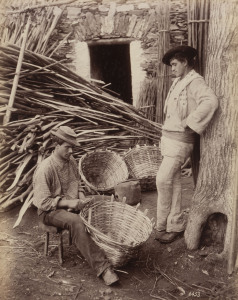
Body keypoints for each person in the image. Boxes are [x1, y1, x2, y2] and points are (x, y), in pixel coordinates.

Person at [33, 126, 119, 285]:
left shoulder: (70, 161)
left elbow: (77, 184)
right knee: (76, 222)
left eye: (72, 147)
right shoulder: (45, 168)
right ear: (56, 146)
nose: (71, 151)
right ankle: (104, 268)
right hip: (49, 211)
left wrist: (82, 199)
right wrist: (70, 203)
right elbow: (42, 201)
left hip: (70, 203)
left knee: (105, 202)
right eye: (67, 147)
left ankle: (113, 248)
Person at [155, 45, 218, 243]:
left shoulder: (195, 82)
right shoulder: (178, 82)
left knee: (162, 180)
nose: (172, 68)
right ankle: (171, 226)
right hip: (169, 139)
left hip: (180, 141)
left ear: (185, 63)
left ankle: (164, 223)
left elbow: (210, 101)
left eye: (175, 64)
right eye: (171, 65)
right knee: (173, 182)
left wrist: (190, 122)